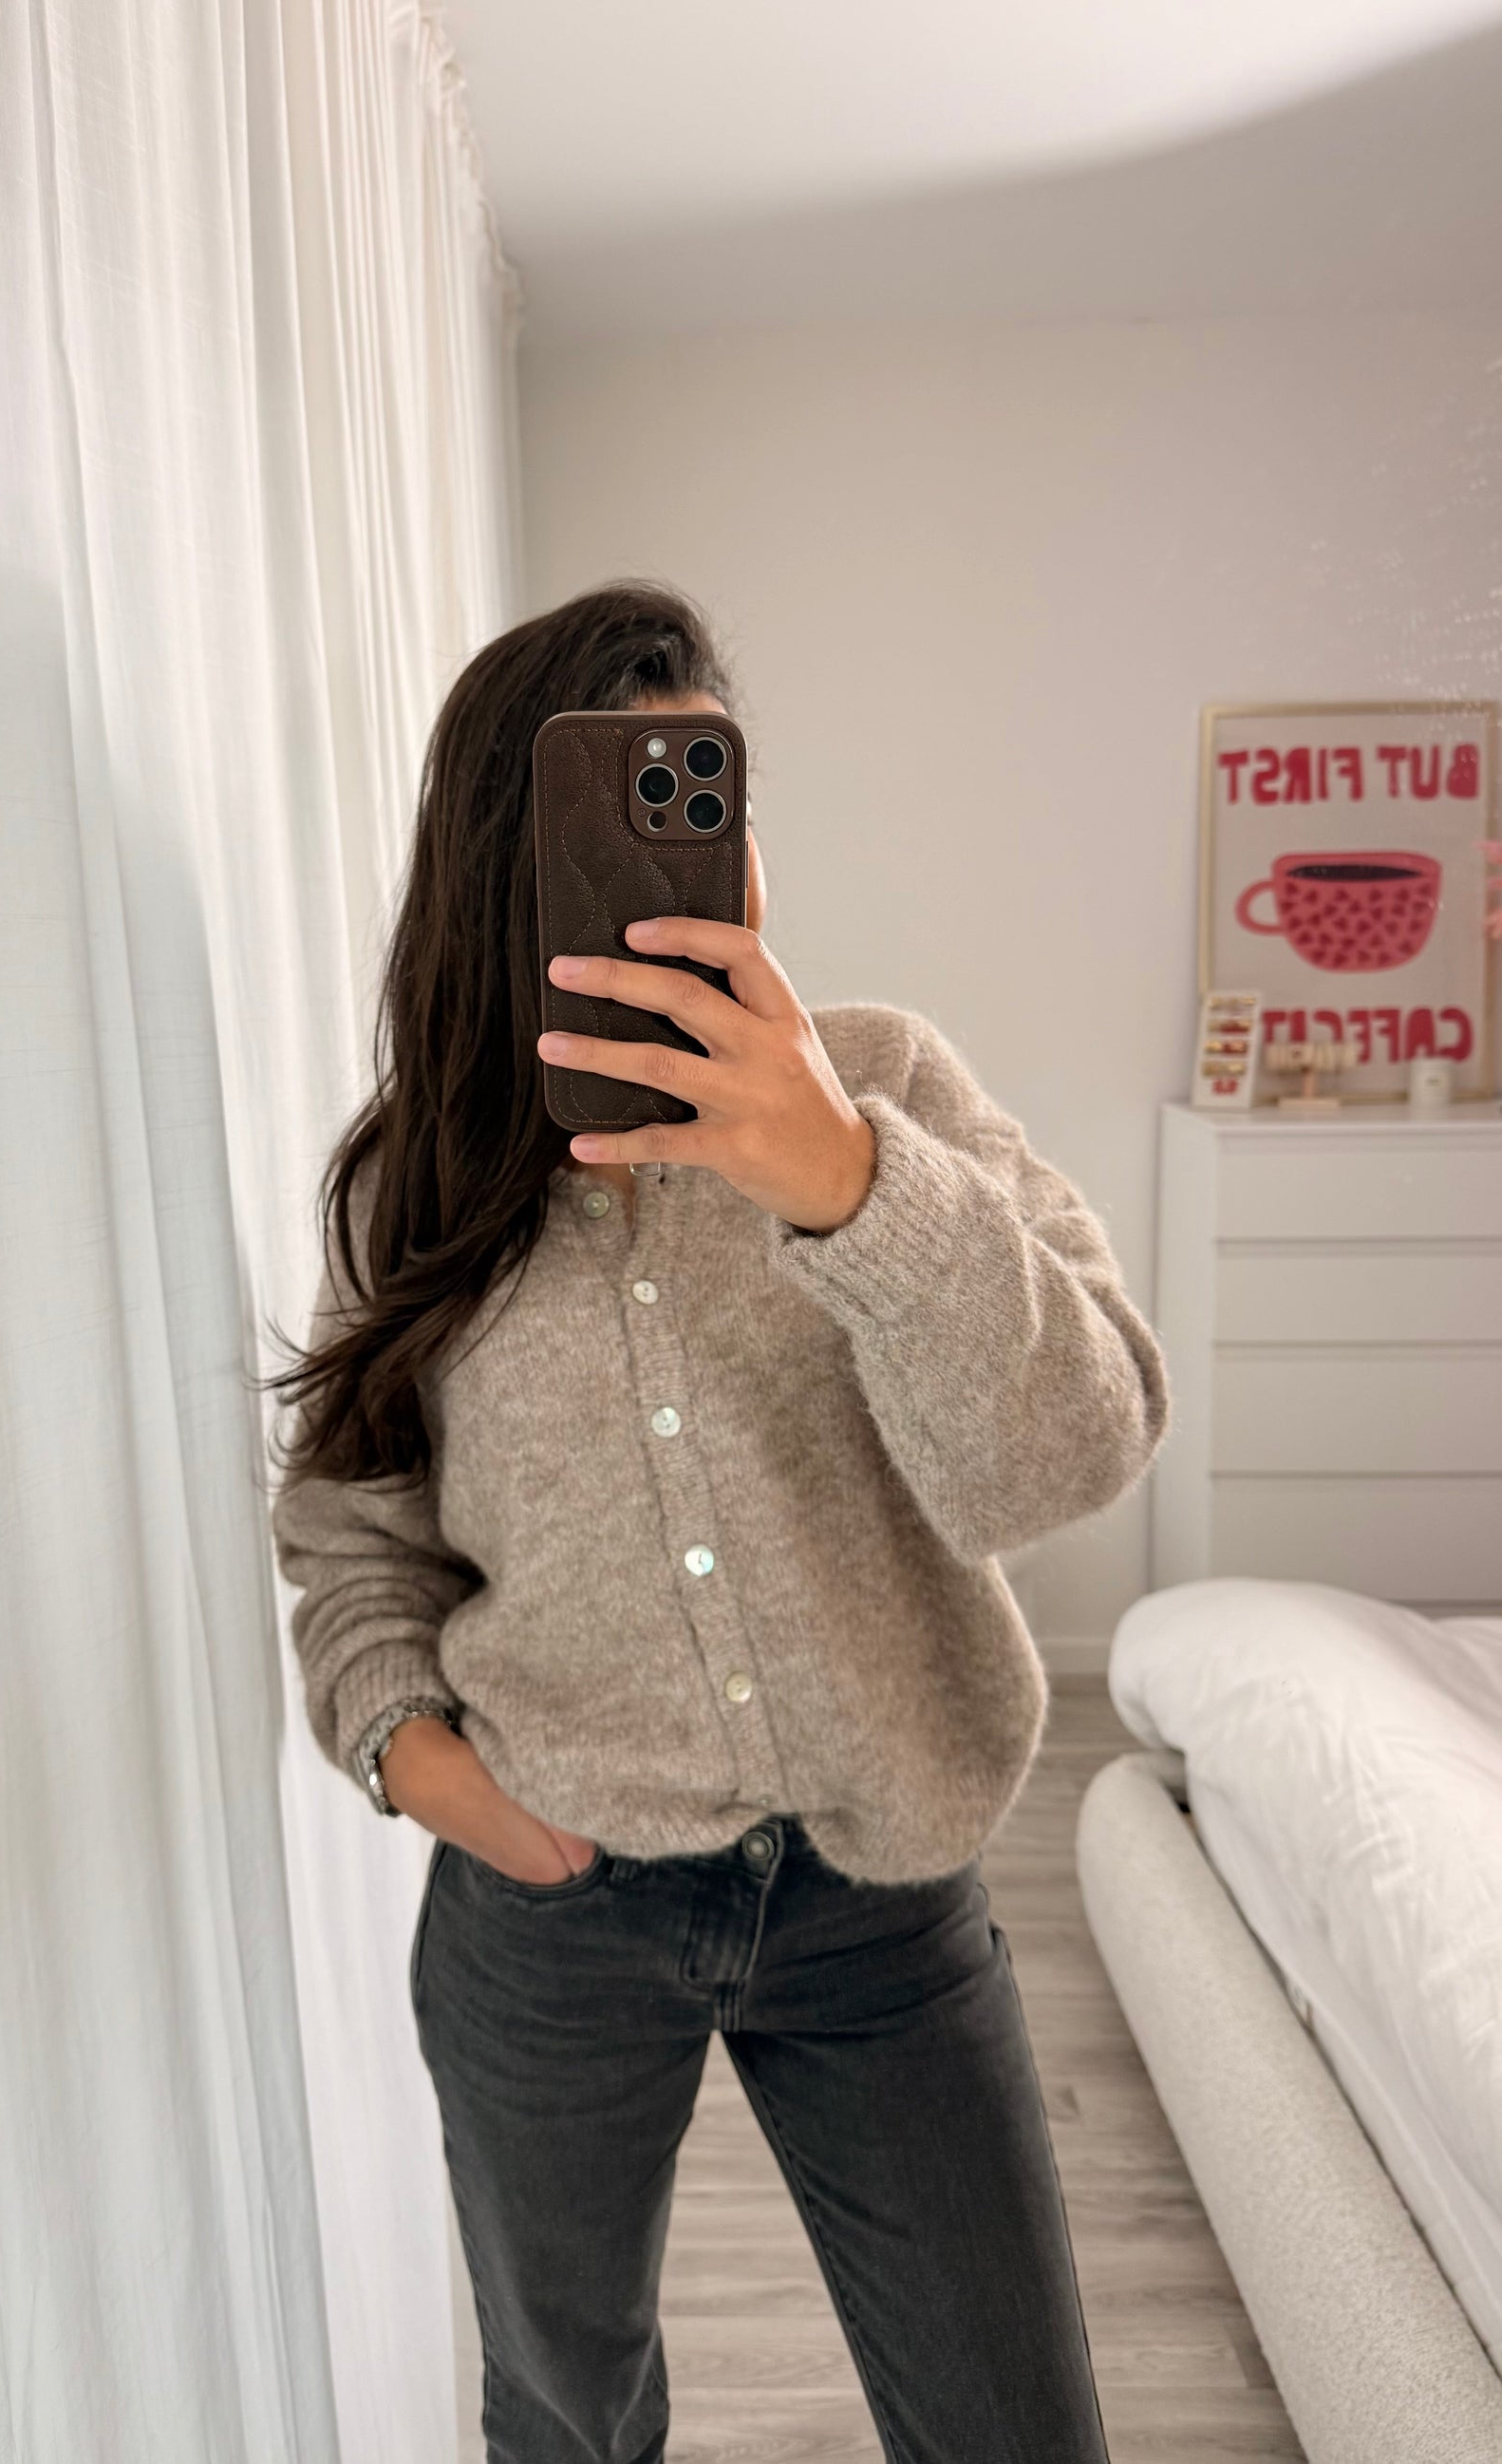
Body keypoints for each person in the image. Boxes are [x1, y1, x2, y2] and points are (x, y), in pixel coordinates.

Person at [267, 581, 1171, 2464]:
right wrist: (429, 1768)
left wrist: (846, 1187)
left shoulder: (887, 1089)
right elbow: (350, 1540)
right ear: (505, 868)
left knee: (1015, 2429)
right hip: (553, 1902)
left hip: (884, 1887)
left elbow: (1073, 1451)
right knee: (565, 2415)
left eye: (702, 798)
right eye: (610, 818)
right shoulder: (410, 1178)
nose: (684, 859)